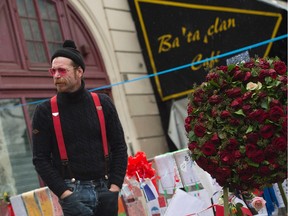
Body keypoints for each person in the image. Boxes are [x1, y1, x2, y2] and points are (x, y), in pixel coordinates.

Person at [32, 40, 128, 216]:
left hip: (105, 187)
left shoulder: (102, 103)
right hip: (73, 192)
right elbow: (40, 159)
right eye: (53, 71)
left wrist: (114, 188)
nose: (56, 75)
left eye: (62, 70)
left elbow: (119, 147)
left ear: (79, 72)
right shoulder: (44, 111)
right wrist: (66, 195)